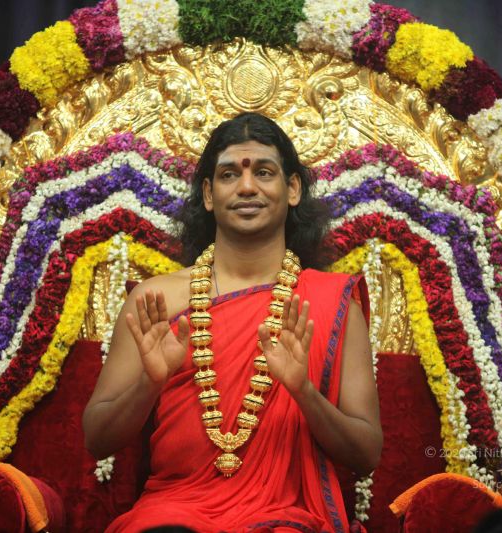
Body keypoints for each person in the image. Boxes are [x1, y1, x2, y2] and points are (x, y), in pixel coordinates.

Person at [83, 112, 383, 533]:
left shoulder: (329, 303)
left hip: (285, 517)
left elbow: (366, 454)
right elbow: (97, 439)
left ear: (293, 188)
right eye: (229, 175)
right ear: (209, 194)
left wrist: (304, 393)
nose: (246, 187)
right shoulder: (157, 301)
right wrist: (149, 383)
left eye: (263, 172)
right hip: (172, 513)